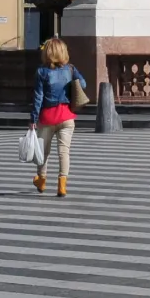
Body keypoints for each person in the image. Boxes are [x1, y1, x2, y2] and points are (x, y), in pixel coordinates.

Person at [29, 38, 86, 198]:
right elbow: (83, 84)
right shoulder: (70, 69)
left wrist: (33, 119)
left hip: (47, 117)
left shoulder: (41, 72)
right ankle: (62, 185)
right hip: (67, 116)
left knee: (43, 152)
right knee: (64, 152)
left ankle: (41, 179)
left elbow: (38, 97)